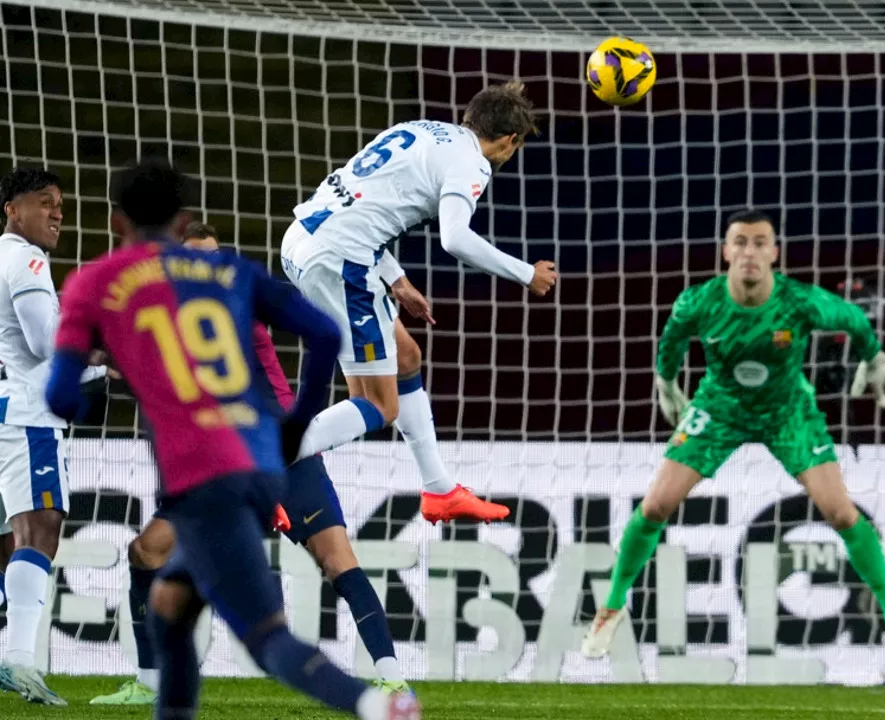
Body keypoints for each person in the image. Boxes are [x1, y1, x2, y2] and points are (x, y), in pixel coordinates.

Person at [45, 159, 418, 720]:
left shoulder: (97, 285)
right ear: (184, 220)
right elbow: (323, 332)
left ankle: (375, 704)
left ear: (118, 221)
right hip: (265, 459)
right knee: (170, 603)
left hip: (203, 476)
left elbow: (60, 399)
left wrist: (96, 386)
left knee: (268, 639)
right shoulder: (230, 275)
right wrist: (297, 425)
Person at [579, 209, 885, 671]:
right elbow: (671, 342)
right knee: (654, 507)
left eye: (760, 242)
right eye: (741, 242)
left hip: (788, 411)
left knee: (841, 512)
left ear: (774, 253)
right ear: (726, 252)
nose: (750, 251)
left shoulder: (797, 301)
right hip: (720, 408)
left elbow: (853, 319)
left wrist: (875, 357)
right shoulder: (699, 302)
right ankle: (610, 607)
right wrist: (666, 386)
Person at [280, 81, 558, 524]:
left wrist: (397, 279)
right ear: (510, 141)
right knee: (379, 405)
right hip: (341, 262)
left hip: (308, 240)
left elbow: (362, 204)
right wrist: (527, 274)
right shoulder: (473, 165)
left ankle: (439, 489)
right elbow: (455, 238)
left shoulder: (418, 130)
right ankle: (264, 462)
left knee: (406, 356)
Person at [0, 167, 106, 705]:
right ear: (12, 211)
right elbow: (46, 343)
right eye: (45, 203)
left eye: (60, 203)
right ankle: (18, 661)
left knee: (6, 543)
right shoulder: (27, 259)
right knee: (40, 529)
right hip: (24, 416)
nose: (58, 212)